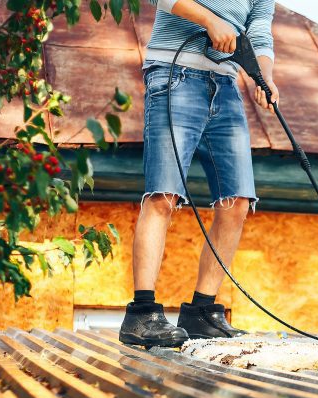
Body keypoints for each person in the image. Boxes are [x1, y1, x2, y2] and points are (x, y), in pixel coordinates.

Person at [118, 0, 279, 347]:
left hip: (225, 86)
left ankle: (201, 312)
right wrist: (208, 19)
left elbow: (260, 33)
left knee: (236, 202)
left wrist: (263, 76)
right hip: (174, 75)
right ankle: (141, 314)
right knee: (163, 196)